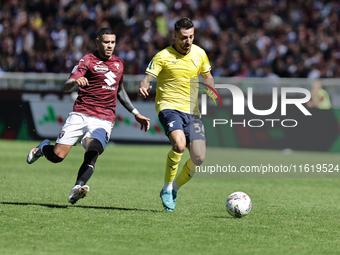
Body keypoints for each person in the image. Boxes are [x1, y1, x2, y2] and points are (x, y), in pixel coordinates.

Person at [27, 27, 150, 204]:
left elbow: (120, 90)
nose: (110, 46)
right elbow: (66, 86)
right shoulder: (87, 60)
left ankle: (78, 187)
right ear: (98, 42)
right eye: (106, 42)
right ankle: (43, 149)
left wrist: (135, 113)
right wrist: (75, 81)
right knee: (57, 157)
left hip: (105, 118)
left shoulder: (119, 64)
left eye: (113, 42)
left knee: (94, 149)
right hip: (81, 114)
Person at [139, 17, 215, 212]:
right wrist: (144, 85)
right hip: (169, 107)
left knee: (199, 157)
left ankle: (174, 189)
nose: (187, 41)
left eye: (190, 36)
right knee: (179, 145)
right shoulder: (163, 56)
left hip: (193, 112)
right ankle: (166, 188)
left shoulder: (200, 54)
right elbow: (149, 76)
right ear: (174, 36)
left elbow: (208, 76)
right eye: (183, 37)